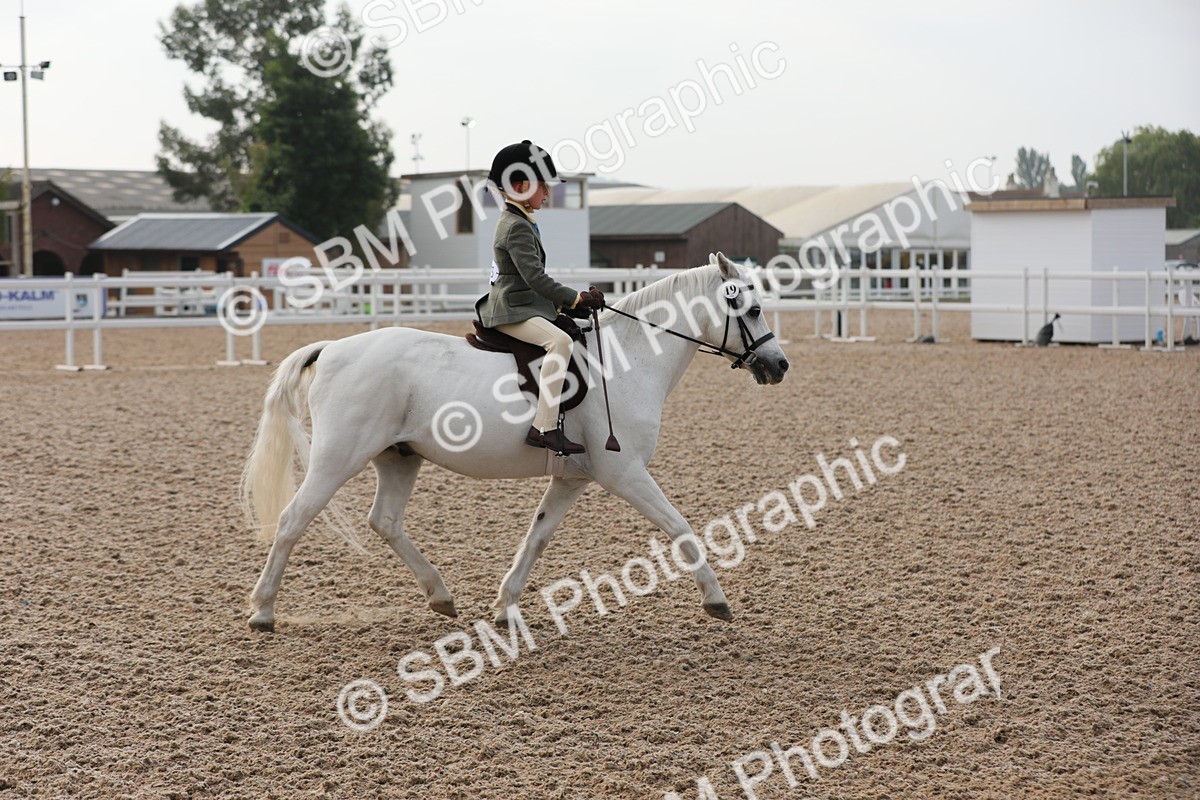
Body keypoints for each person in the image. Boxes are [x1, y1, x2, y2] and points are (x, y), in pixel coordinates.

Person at [477, 140, 604, 454]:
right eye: (542, 186)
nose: (547, 192)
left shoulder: (522, 221)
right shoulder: (515, 227)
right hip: (510, 309)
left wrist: (568, 306)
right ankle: (544, 427)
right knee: (560, 342)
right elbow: (535, 278)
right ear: (520, 186)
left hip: (523, 303)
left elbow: (531, 283)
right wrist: (575, 299)